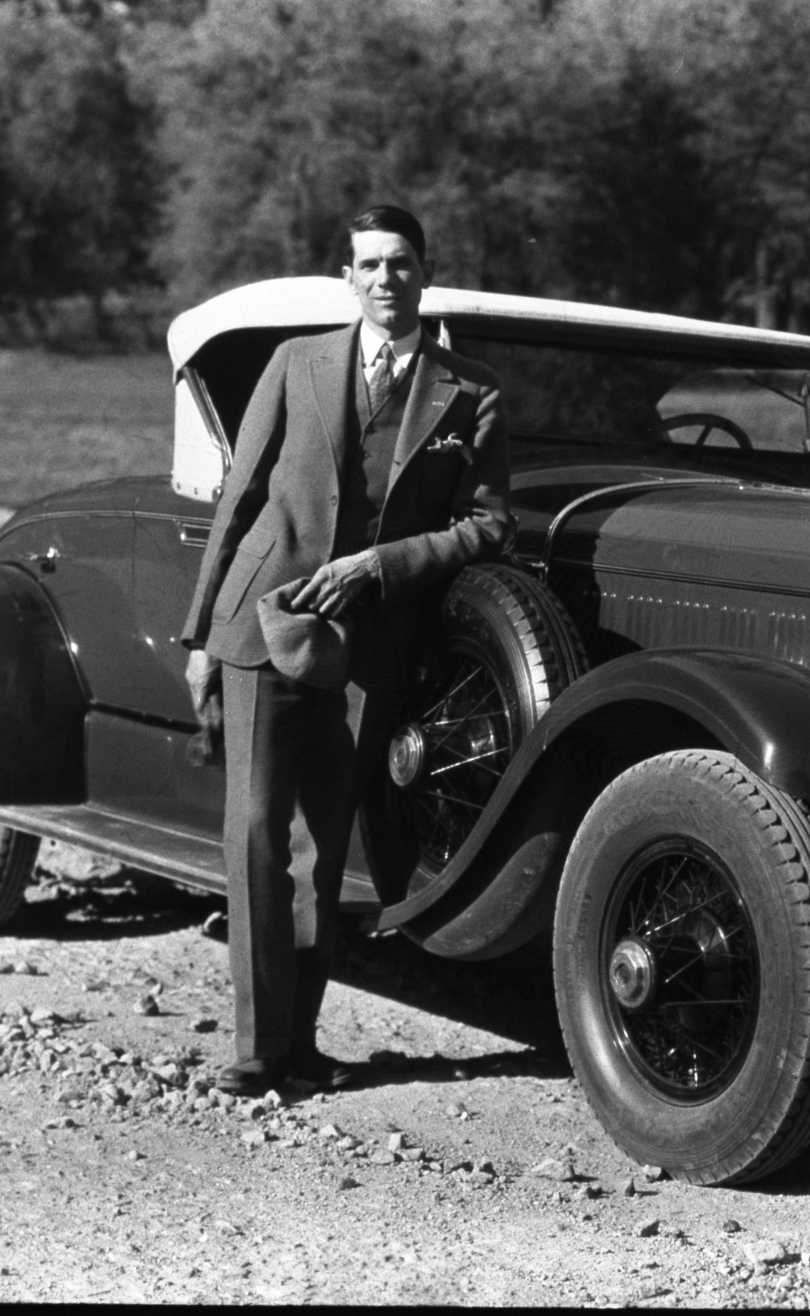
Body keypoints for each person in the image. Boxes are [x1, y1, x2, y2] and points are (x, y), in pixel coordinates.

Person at [179, 204, 512, 1095]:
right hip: (262, 620)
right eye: (367, 265)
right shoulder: (297, 363)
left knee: (321, 850)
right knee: (252, 832)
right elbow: (240, 499)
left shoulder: (468, 390)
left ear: (423, 272)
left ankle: (301, 1045)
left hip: (370, 643)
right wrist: (202, 633)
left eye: (399, 263)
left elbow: (489, 524)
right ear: (347, 278)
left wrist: (383, 562)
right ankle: (255, 1053)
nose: (384, 279)